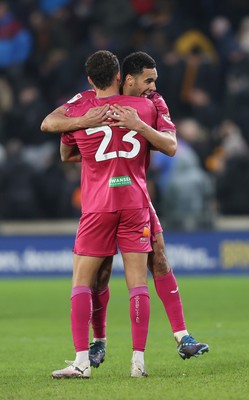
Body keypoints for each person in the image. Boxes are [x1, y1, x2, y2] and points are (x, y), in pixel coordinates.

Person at [41, 51, 209, 369]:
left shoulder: (143, 103)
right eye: (149, 80)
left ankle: (181, 337)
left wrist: (122, 128)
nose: (153, 87)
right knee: (105, 275)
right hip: (129, 196)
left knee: (156, 257)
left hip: (128, 198)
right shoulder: (119, 105)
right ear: (124, 78)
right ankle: (105, 345)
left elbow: (170, 146)